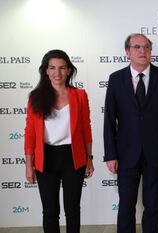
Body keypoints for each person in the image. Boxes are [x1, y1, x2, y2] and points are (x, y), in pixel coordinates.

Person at [103, 33, 158, 233]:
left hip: (157, 153)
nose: (142, 51)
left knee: (153, 206)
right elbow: (109, 119)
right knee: (126, 206)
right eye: (137, 47)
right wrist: (110, 155)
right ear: (127, 52)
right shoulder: (116, 79)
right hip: (126, 153)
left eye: (146, 47)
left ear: (151, 51)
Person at [24, 49, 94, 233]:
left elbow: (86, 128)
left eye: (62, 68)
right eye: (52, 68)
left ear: (69, 70)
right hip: (46, 157)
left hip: (73, 156)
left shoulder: (79, 95)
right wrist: (28, 164)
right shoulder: (35, 97)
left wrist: (89, 158)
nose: (57, 73)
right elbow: (30, 133)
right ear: (46, 71)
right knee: (50, 211)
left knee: (72, 210)